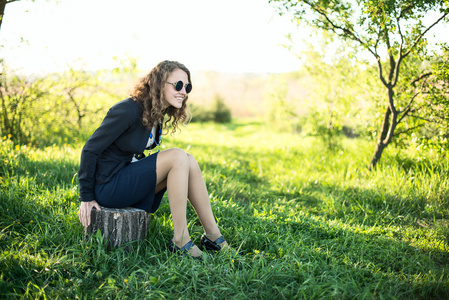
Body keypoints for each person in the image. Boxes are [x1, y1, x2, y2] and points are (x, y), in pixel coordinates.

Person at [78, 60, 230, 258]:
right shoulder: (128, 110)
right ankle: (180, 240)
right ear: (159, 84)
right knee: (177, 156)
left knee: (188, 160)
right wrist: (86, 197)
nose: (183, 91)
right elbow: (90, 149)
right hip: (108, 186)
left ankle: (213, 237)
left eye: (187, 87)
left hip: (125, 178)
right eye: (178, 85)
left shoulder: (155, 113)